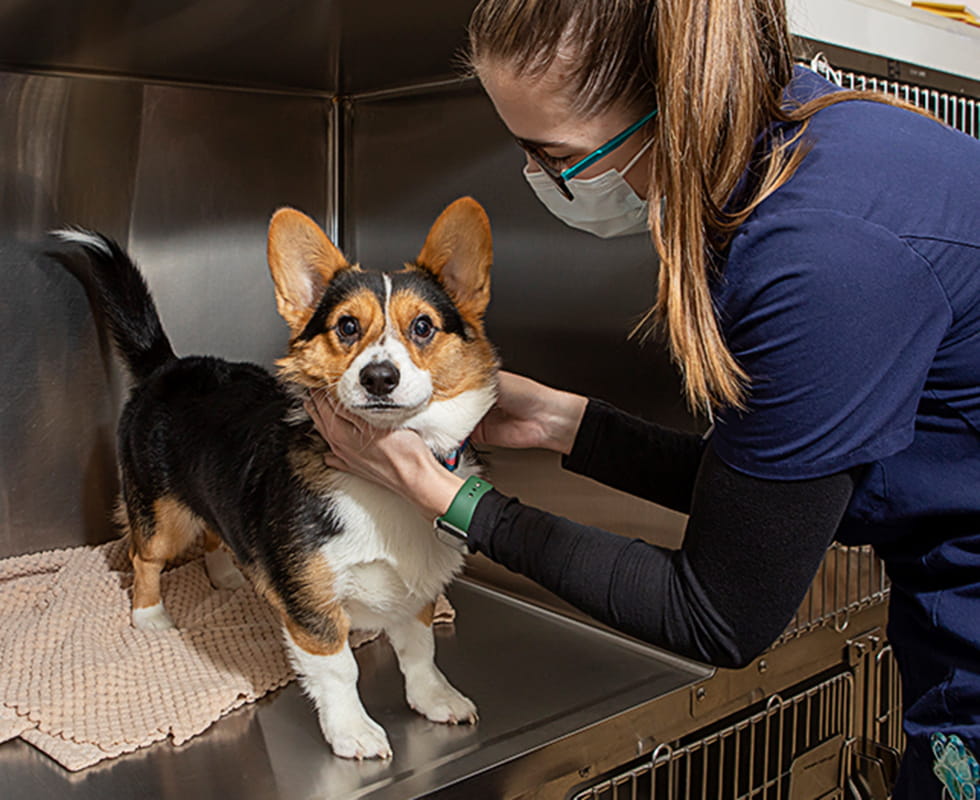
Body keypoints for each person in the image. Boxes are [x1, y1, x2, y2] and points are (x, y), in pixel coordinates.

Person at [306, 1, 980, 796]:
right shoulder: (793, 138)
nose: (543, 180)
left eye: (557, 155)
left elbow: (719, 614)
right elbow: (768, 491)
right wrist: (566, 424)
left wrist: (452, 499)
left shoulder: (821, 257)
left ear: (669, 106)